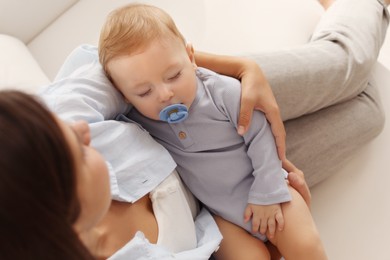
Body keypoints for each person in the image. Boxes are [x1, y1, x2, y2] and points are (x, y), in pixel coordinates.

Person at [36, 0, 389, 258]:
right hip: (223, 203)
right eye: (78, 153)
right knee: (369, 114)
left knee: (346, 66)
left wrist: (234, 67)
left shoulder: (61, 122)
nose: (84, 136)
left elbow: (124, 58)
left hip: (209, 97)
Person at [98, 3, 327, 260]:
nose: (164, 95)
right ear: (124, 95)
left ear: (191, 57)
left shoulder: (220, 92)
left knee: (306, 248)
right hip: (223, 216)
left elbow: (261, 136)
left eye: (174, 75)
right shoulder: (139, 119)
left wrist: (267, 192)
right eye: (144, 92)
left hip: (268, 187)